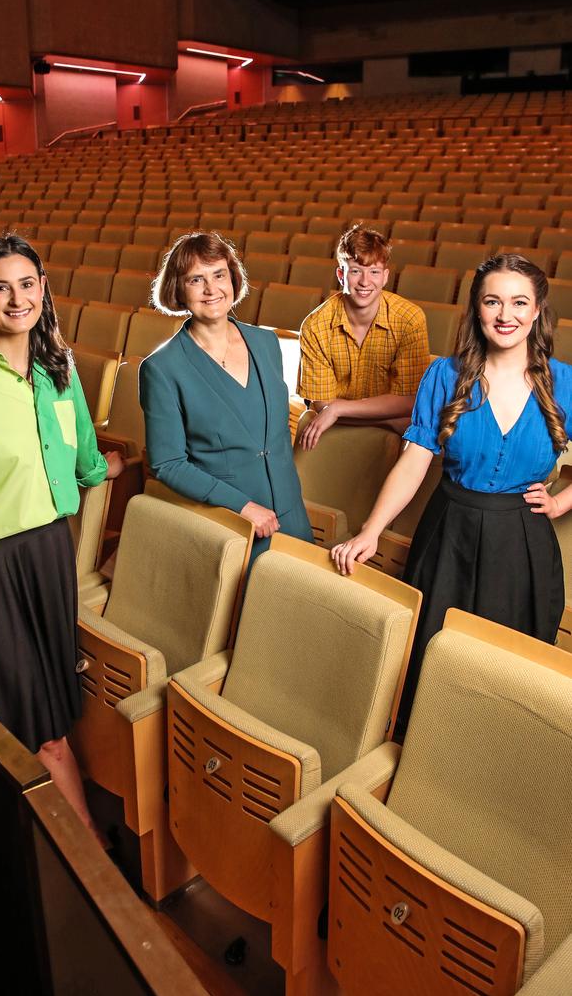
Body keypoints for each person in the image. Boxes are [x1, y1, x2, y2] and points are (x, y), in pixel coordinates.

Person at [0, 235, 124, 843]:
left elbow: (83, 458)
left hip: (47, 558)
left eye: (28, 284)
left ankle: (53, 845)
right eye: (1, 286)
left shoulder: (58, 376)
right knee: (32, 727)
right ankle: (86, 853)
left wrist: (103, 472)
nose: (18, 298)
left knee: (48, 711)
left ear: (43, 293)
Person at [331, 253, 572, 729]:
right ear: (476, 309)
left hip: (522, 541)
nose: (506, 315)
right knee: (432, 655)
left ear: (538, 309)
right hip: (449, 532)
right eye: (492, 302)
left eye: (519, 302)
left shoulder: (565, 381)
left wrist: (562, 501)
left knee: (509, 670)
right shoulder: (445, 374)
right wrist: (371, 530)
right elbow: (415, 458)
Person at [139, 231, 313, 561]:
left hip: (291, 514)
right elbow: (168, 464)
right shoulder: (161, 368)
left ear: (232, 277)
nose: (211, 289)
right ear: (179, 289)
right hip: (229, 522)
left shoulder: (267, 343)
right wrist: (242, 506)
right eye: (196, 280)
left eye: (219, 274)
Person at [297, 224, 430, 450]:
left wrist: (338, 409)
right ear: (341, 275)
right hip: (344, 428)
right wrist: (389, 419)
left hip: (341, 421)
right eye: (356, 270)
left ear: (385, 276)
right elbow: (320, 405)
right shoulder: (315, 325)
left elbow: (410, 402)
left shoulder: (410, 318)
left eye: (374, 272)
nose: (365, 282)